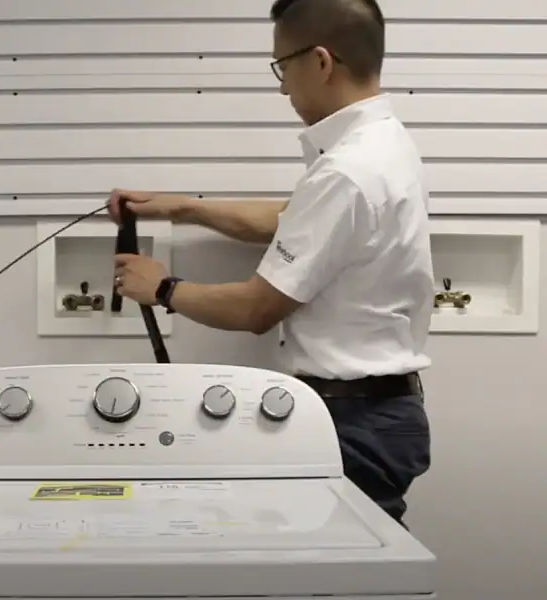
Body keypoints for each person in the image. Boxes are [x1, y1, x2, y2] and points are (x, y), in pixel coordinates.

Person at [109, 0, 432, 527]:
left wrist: (162, 288)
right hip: (372, 414)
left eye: (283, 66)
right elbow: (294, 220)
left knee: (339, 578)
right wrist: (182, 207)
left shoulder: (349, 171)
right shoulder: (383, 145)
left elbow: (258, 307)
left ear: (322, 62)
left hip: (353, 421)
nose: (283, 87)